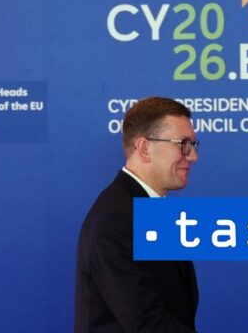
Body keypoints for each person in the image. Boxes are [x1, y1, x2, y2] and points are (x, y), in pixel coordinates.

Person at [75, 97, 199, 333]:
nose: (193, 156)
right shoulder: (116, 220)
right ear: (144, 148)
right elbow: (148, 323)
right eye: (182, 144)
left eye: (193, 144)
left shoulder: (148, 210)